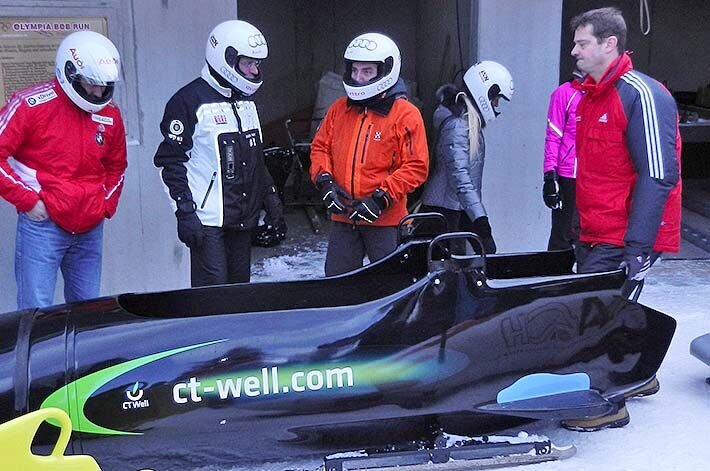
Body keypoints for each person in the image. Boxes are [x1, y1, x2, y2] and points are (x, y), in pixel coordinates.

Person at [562, 6, 681, 432]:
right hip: (597, 228)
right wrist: (578, 227)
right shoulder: (591, 96)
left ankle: (606, 403)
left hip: (624, 233)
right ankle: (638, 373)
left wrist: (638, 246)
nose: (574, 51)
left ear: (609, 44)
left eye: (582, 43)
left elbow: (658, 173)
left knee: (595, 317)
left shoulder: (641, 94)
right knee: (611, 308)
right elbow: (597, 171)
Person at [0, 31, 127, 309]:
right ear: (71, 73)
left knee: (87, 310)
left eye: (105, 85)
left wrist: (105, 205)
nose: (98, 92)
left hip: (90, 225)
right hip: (43, 223)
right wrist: (28, 200)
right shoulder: (30, 105)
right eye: (92, 83)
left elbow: (117, 165)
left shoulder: (110, 113)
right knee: (35, 310)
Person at [154, 20, 284, 287]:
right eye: (248, 63)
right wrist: (185, 212)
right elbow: (170, 162)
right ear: (227, 58)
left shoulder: (246, 102)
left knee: (239, 291)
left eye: (257, 64)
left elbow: (256, 159)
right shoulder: (188, 101)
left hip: (242, 218)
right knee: (213, 296)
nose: (254, 70)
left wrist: (271, 199)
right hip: (207, 221)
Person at [309, 32, 429, 277]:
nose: (358, 78)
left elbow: (416, 166)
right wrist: (325, 182)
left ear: (385, 71)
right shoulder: (339, 109)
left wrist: (380, 199)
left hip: (384, 221)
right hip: (344, 216)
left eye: (367, 71)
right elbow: (320, 148)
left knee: (388, 284)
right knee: (337, 283)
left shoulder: (405, 114)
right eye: (354, 70)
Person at [420, 61, 514, 255]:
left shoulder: (465, 123)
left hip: (457, 208)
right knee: (451, 266)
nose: (496, 106)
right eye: (495, 99)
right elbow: (460, 177)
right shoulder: (458, 126)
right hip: (445, 212)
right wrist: (480, 219)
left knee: (481, 257)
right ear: (484, 93)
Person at [542, 70, 584, 251]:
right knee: (562, 234)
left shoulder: (601, 94)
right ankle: (557, 267)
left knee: (588, 234)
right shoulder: (564, 93)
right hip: (568, 175)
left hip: (593, 175)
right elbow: (553, 136)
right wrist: (549, 176)